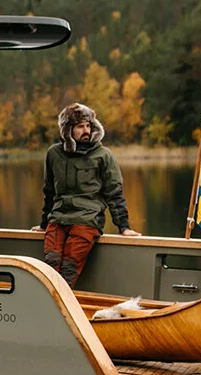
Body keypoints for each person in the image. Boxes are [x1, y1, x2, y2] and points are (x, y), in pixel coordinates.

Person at [31, 103, 140, 287]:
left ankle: (60, 311)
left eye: (88, 125)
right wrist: (44, 224)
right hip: (58, 218)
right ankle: (49, 309)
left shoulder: (103, 155)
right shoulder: (54, 154)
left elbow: (114, 193)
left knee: (68, 268)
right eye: (80, 126)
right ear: (68, 129)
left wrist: (124, 227)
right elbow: (49, 192)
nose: (86, 130)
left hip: (87, 220)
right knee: (51, 263)